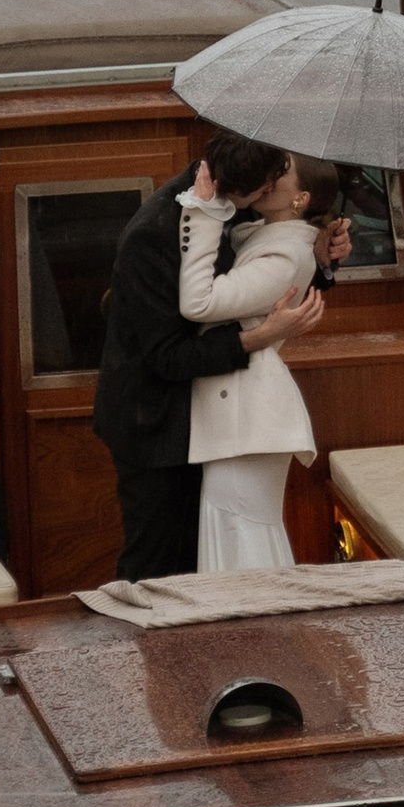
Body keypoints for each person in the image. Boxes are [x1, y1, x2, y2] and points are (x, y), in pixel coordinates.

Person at [91, 136, 324, 579]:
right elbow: (168, 357)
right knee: (156, 568)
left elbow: (258, 278)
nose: (268, 198)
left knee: (202, 561)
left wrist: (323, 257)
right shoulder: (152, 237)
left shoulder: (232, 199)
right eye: (264, 191)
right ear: (241, 189)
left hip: (204, 418)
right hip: (155, 423)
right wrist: (258, 339)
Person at [175, 153, 342, 571]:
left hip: (248, 416)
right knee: (234, 532)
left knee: (241, 535)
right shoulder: (269, 236)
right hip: (237, 414)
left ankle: (261, 632)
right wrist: (328, 247)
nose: (269, 177)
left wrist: (204, 210)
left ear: (301, 197)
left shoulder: (286, 255)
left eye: (282, 173)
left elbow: (200, 302)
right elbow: (242, 238)